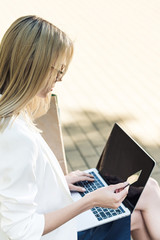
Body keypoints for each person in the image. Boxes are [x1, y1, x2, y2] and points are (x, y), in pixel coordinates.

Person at [0, 15, 159, 240]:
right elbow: (21, 231)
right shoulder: (15, 135)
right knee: (147, 194)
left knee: (143, 204)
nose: (60, 78)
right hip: (57, 233)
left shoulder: (9, 116)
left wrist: (59, 183)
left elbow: (11, 188)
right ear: (34, 67)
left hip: (52, 212)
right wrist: (91, 201)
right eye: (58, 70)